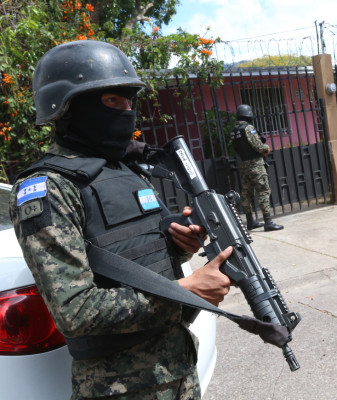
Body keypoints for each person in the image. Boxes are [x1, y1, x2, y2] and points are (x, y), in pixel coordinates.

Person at [9, 40, 232, 399]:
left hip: (178, 369)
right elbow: (75, 310)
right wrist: (183, 293)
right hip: (120, 388)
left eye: (130, 101)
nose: (127, 111)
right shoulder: (48, 188)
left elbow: (132, 256)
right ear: (67, 107)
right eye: (113, 101)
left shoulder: (124, 170)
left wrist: (177, 244)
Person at [230, 104, 284, 231]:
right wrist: (266, 148)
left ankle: (250, 221)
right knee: (263, 191)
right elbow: (258, 145)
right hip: (255, 165)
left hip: (244, 165)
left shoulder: (234, 130)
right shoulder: (248, 128)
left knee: (246, 193)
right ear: (248, 114)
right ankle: (268, 222)